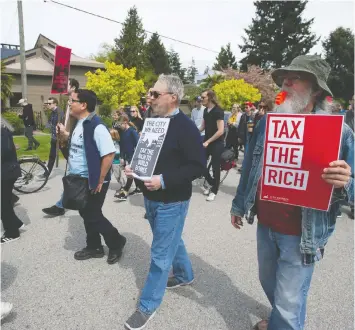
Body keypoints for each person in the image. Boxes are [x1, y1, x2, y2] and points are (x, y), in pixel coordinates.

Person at [230, 55, 354, 330]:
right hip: (266, 224)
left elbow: (354, 187)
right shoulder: (268, 122)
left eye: (296, 77)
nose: (286, 81)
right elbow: (250, 164)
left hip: (302, 233)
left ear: (317, 89)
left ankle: (283, 322)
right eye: (285, 76)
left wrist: (345, 180)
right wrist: (239, 205)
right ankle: (281, 319)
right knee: (270, 283)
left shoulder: (340, 132)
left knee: (288, 302)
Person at [124, 74, 205, 330]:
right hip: (150, 198)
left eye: (155, 94)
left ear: (173, 97)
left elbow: (198, 166)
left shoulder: (186, 127)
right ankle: (184, 275)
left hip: (172, 199)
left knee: (160, 255)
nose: (150, 98)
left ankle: (147, 305)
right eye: (150, 93)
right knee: (172, 239)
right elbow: (147, 155)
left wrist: (164, 180)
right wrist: (134, 169)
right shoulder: (153, 122)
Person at [56, 89, 126, 264]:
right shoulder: (79, 123)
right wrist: (64, 136)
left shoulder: (97, 126)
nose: (69, 103)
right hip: (78, 178)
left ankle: (116, 242)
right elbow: (77, 147)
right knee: (86, 212)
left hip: (94, 180)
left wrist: (100, 179)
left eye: (72, 100)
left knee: (93, 214)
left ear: (83, 105)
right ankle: (94, 246)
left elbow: (109, 155)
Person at [42, 80, 79, 216]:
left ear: (73, 87)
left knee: (74, 174)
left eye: (67, 84)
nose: (63, 86)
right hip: (68, 141)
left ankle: (61, 205)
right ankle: (62, 204)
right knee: (74, 175)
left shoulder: (78, 102)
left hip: (75, 144)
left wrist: (67, 134)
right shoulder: (69, 102)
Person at [1, 118, 25, 243]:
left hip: (6, 172)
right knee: (4, 202)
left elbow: (3, 152)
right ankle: (16, 222)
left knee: (3, 204)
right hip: (7, 171)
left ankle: (12, 232)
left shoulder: (2, 130)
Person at [199, 90, 224, 202]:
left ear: (209, 98)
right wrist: (192, 132)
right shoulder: (205, 110)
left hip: (216, 143)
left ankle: (214, 191)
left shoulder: (218, 111)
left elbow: (221, 131)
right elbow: (203, 127)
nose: (201, 99)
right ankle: (214, 183)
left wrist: (208, 141)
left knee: (215, 168)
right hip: (207, 141)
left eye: (203, 97)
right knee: (200, 164)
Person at [114, 114, 141, 201]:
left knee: (130, 174)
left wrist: (135, 157)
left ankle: (125, 192)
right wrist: (122, 157)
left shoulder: (132, 131)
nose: (119, 126)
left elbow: (138, 145)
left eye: (120, 124)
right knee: (132, 174)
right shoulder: (123, 132)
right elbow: (122, 145)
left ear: (125, 122)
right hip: (126, 156)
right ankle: (138, 188)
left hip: (132, 156)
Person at [38, 97, 64, 179]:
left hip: (60, 139)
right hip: (54, 137)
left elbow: (60, 125)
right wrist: (43, 129)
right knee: (52, 156)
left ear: (55, 104)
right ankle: (47, 174)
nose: (48, 105)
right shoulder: (52, 112)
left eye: (49, 103)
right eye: (47, 103)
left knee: (68, 156)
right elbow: (50, 122)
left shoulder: (59, 112)